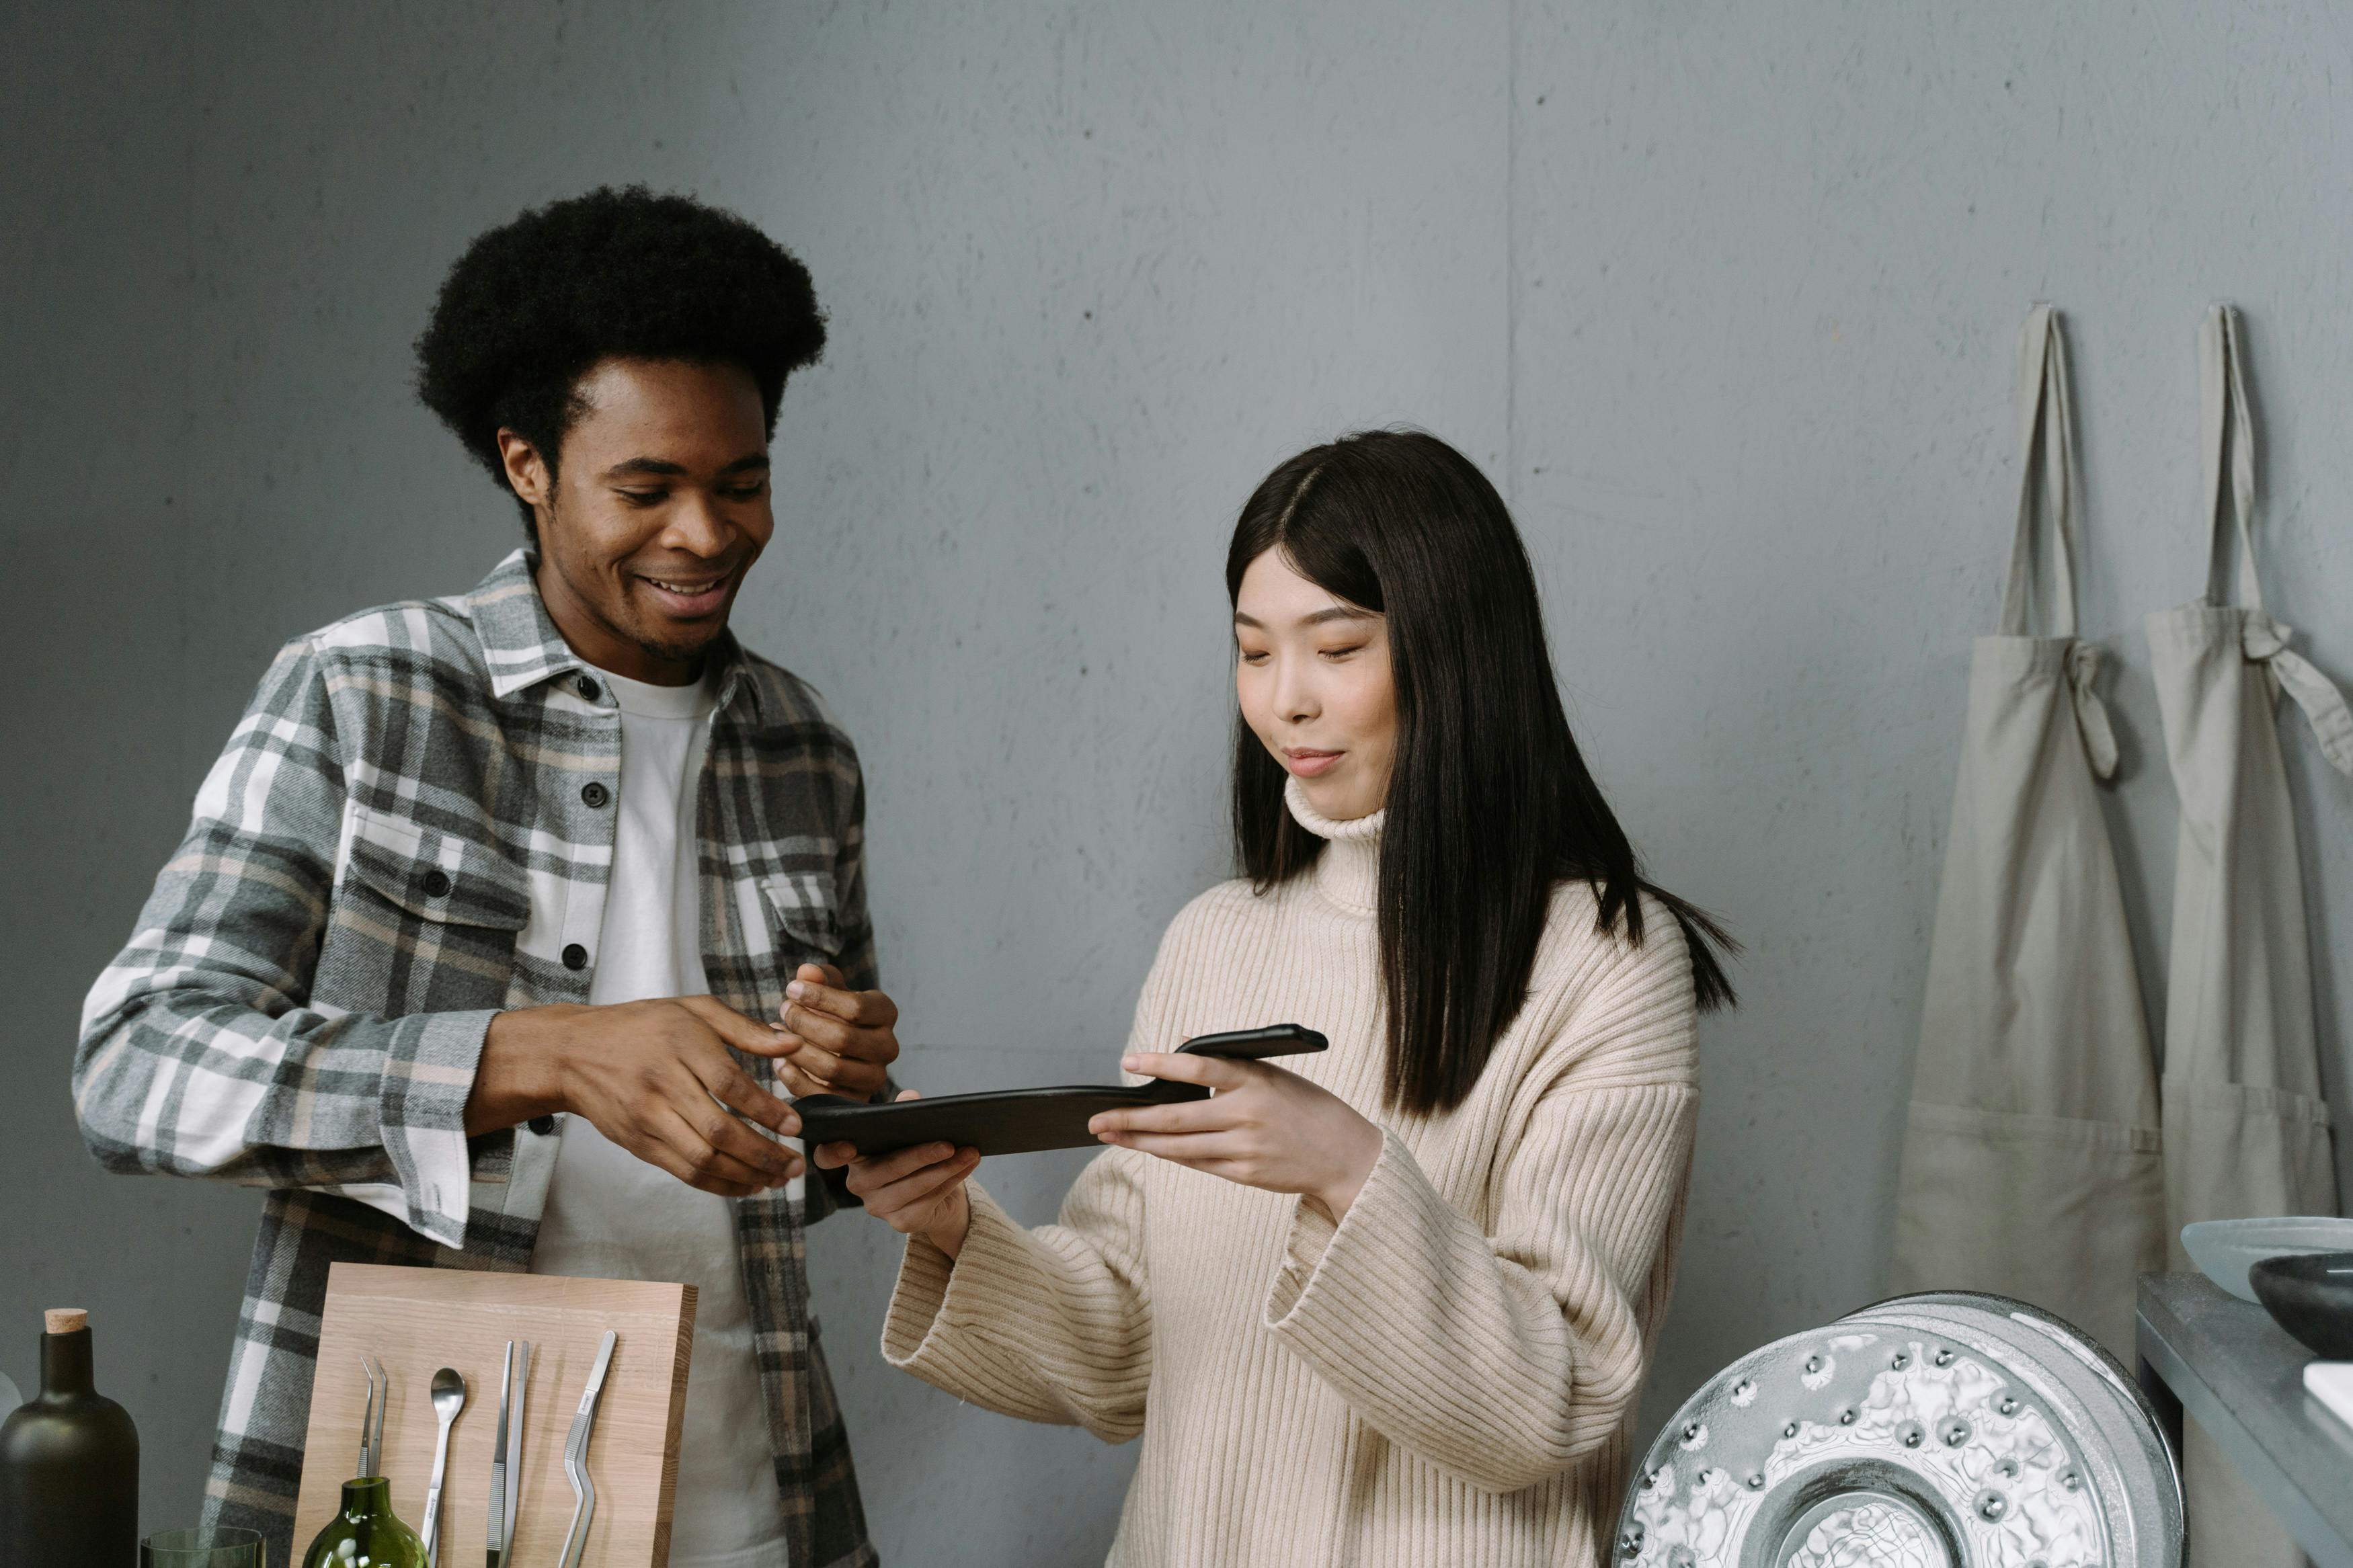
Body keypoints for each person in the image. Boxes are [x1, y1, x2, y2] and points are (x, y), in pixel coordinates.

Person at [75, 187, 894, 1568]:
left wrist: (846, 1100)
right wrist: (536, 1057)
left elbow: (787, 1174)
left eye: (741, 482)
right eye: (646, 489)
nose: (704, 533)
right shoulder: (368, 691)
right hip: (426, 1500)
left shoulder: (803, 749)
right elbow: (135, 1064)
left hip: (753, 1496)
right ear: (525, 464)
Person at [821, 429, 1736, 1567]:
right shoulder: (1216, 937)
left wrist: (1346, 1169)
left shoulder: (1603, 957)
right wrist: (953, 1226)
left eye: (1337, 646)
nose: (1286, 700)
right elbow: (1130, 1344)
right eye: (1253, 652)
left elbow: (1549, 1405)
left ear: (1457, 653)